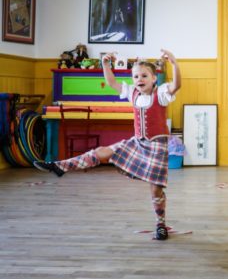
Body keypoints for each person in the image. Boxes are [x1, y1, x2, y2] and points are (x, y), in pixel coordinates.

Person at [33, 49, 181, 241]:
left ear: (154, 78)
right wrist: (105, 64)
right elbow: (112, 82)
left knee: (155, 188)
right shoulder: (132, 93)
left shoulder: (160, 93)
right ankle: (60, 166)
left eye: (144, 75)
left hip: (157, 145)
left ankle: (160, 224)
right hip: (137, 142)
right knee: (102, 152)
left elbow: (176, 85)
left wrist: (175, 64)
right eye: (136, 76)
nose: (139, 79)